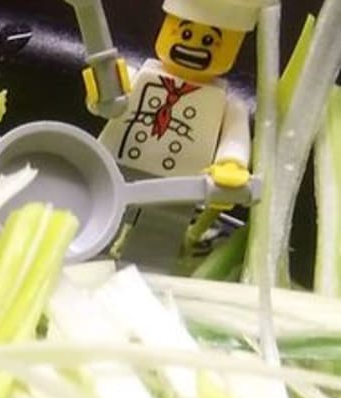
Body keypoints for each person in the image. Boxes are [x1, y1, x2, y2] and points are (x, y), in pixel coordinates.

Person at [85, 0, 270, 270]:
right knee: (97, 221)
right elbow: (106, 105)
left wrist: (230, 163)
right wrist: (100, 95)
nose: (193, 45)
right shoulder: (138, 76)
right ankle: (85, 259)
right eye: (185, 34)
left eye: (209, 40)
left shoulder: (229, 105)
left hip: (176, 187)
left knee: (155, 242)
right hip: (114, 166)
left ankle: (144, 282)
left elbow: (235, 138)